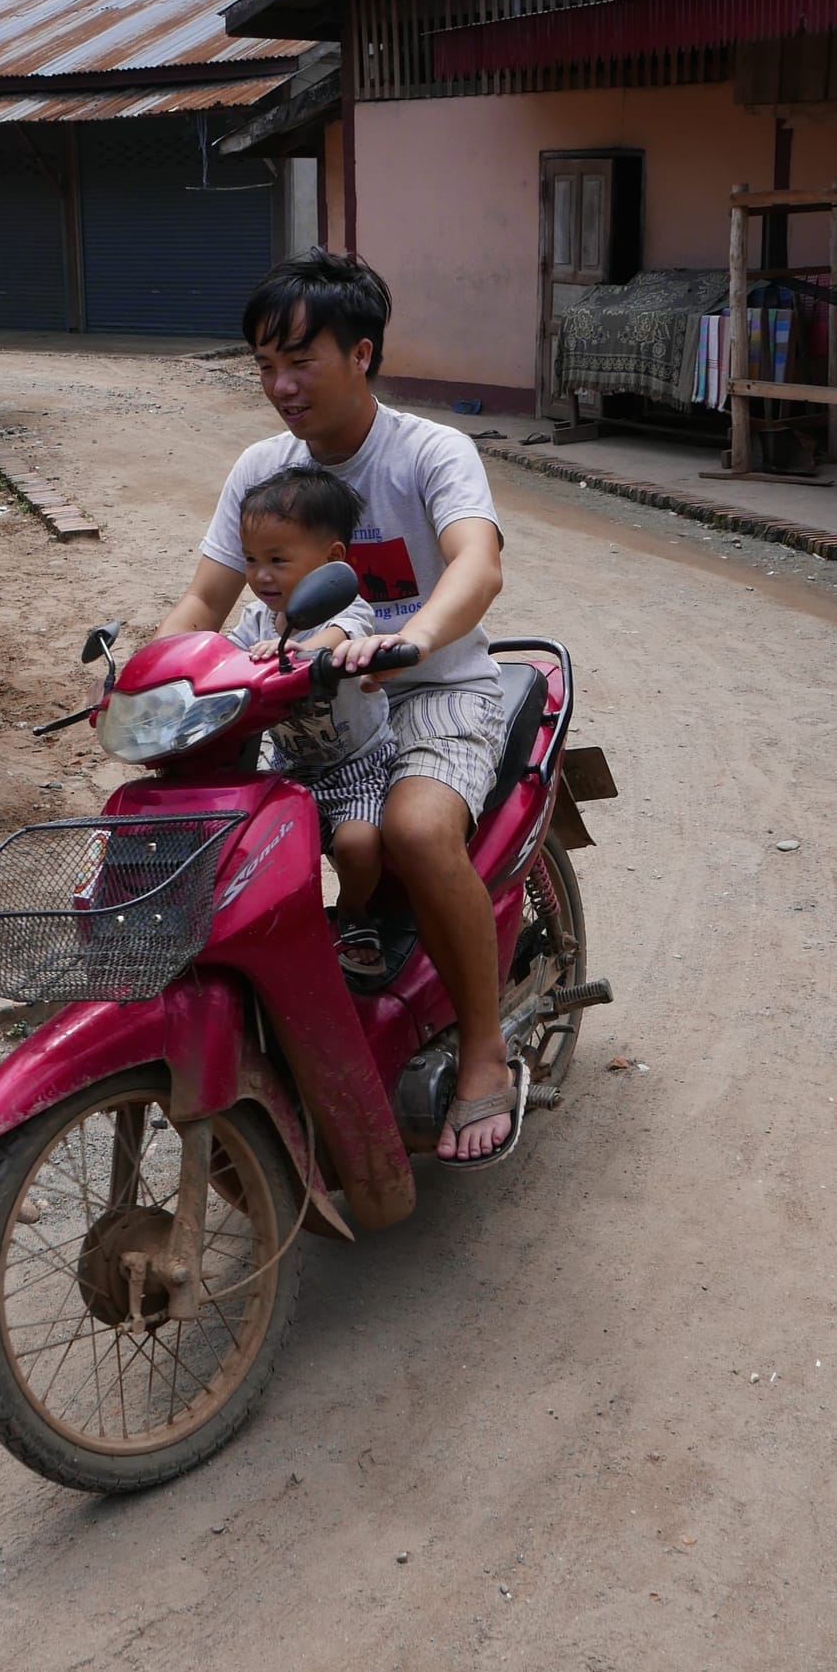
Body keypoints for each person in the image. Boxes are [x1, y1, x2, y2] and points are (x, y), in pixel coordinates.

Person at [161, 249, 517, 1163]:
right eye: (263, 365)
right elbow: (205, 601)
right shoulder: (261, 468)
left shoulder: (433, 451)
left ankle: (484, 1052)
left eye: (300, 359)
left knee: (415, 831)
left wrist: (418, 639)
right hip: (302, 702)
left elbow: (477, 561)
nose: (280, 385)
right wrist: (152, 675)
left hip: (432, 688)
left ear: (362, 353)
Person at [221, 465, 395, 968]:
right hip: (289, 765)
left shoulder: (348, 609)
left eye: (277, 559)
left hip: (357, 766)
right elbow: (224, 655)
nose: (260, 575)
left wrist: (298, 652)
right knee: (250, 846)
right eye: (251, 560)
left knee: (357, 844)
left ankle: (356, 911)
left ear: (331, 562)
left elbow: (335, 639)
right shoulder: (255, 619)